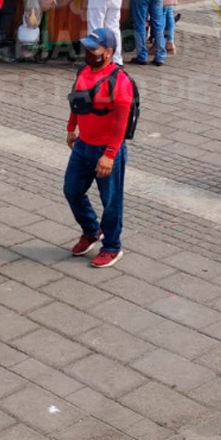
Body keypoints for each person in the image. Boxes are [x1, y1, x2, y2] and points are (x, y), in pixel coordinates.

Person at [63, 28, 132, 269]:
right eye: (88, 47)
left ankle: (112, 246)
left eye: (95, 49)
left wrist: (110, 155)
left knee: (111, 201)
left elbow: (120, 124)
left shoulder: (120, 81)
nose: (89, 53)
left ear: (109, 52)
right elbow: (76, 103)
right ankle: (92, 230)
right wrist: (71, 128)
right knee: (72, 191)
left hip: (106, 150)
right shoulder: (83, 71)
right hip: (83, 146)